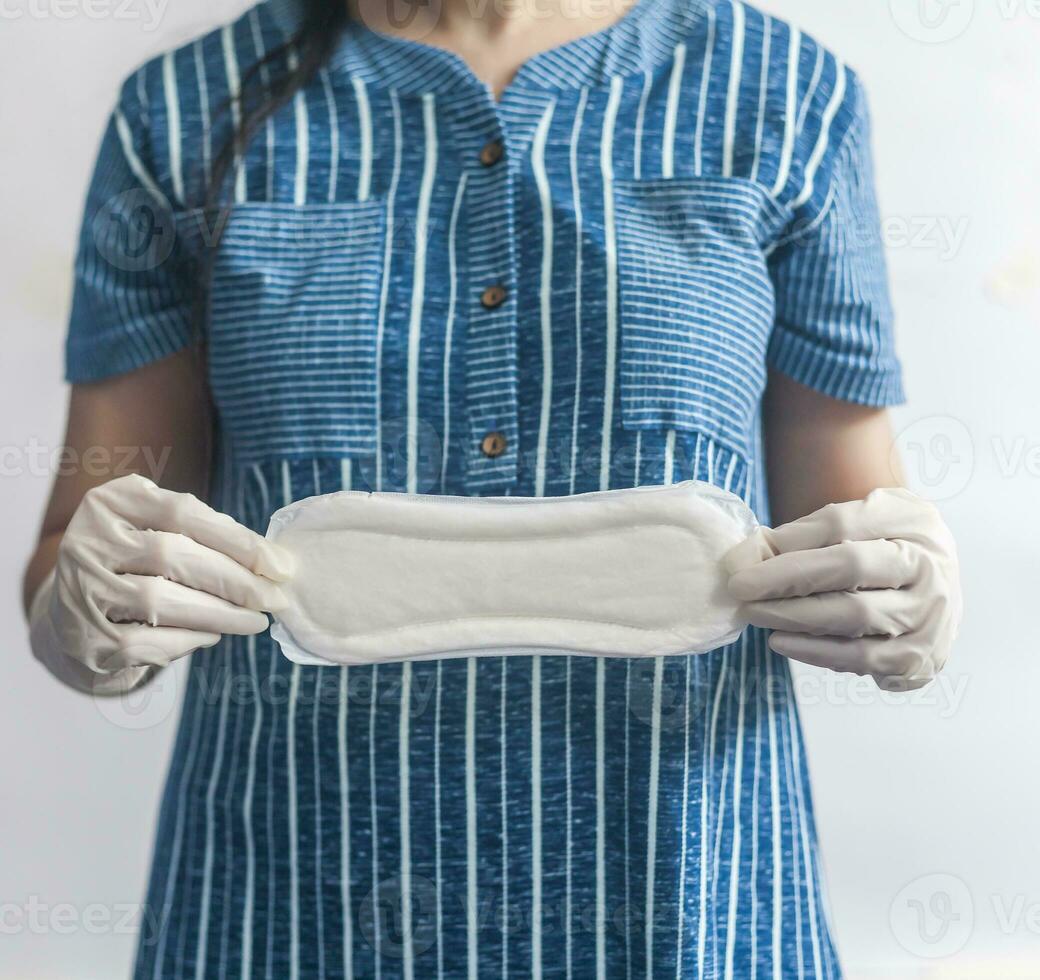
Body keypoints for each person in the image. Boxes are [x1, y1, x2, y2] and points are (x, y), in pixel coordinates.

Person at [21, 0, 961, 974]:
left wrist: (901, 590)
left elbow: (847, 517)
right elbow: (79, 548)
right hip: (287, 906)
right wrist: (75, 616)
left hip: (687, 908)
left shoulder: (785, 97)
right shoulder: (180, 116)